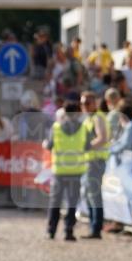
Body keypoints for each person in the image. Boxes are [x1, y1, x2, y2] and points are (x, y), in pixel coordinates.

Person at [43, 99, 87, 241]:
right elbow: (88, 146)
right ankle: (68, 231)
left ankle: (51, 231)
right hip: (76, 171)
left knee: (55, 202)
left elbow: (49, 146)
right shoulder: (83, 128)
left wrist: (45, 144)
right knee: (72, 203)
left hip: (59, 171)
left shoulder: (56, 127)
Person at [80, 91, 110, 239]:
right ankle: (94, 226)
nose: (84, 106)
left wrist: (86, 147)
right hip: (90, 161)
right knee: (88, 194)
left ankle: (96, 228)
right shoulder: (89, 119)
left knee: (94, 195)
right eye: (82, 103)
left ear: (94, 103)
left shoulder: (97, 117)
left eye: (87, 103)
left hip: (96, 161)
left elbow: (102, 138)